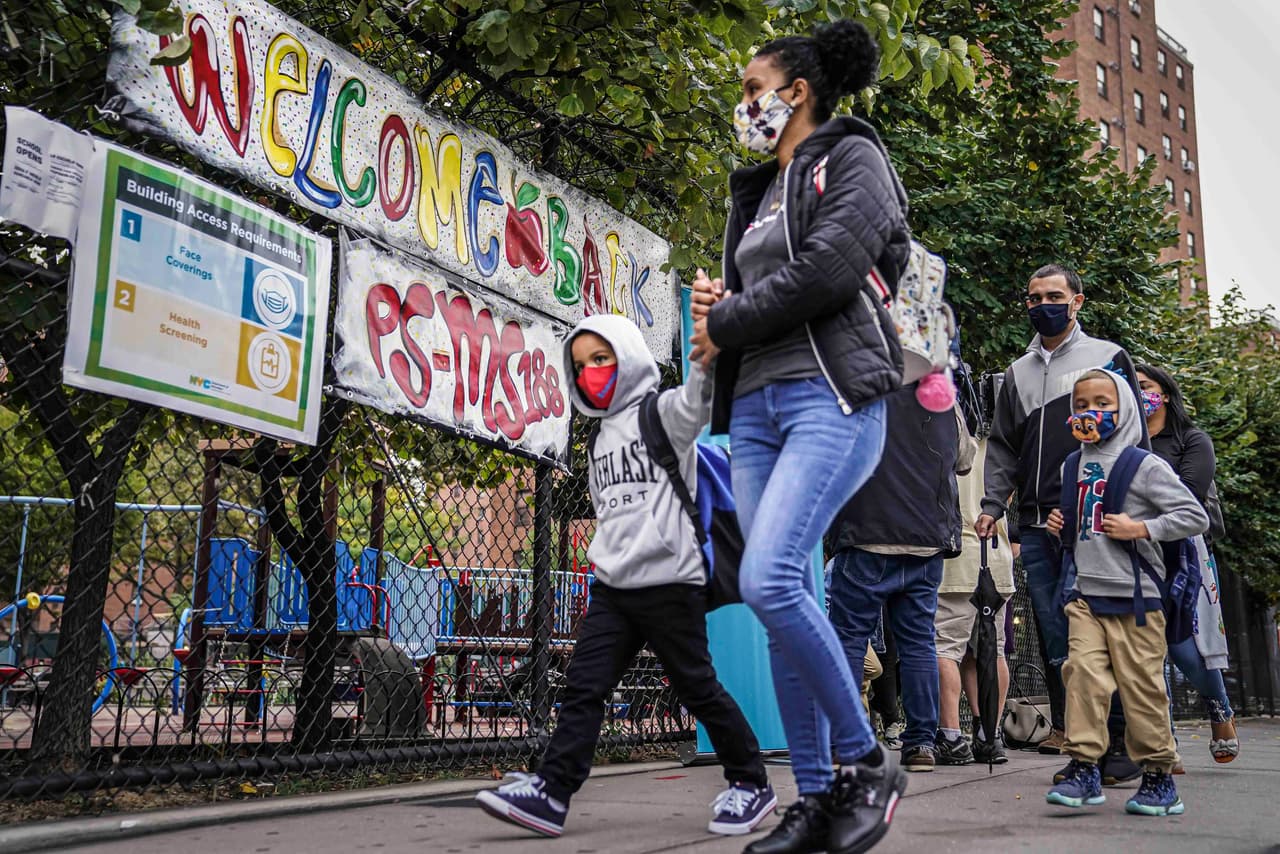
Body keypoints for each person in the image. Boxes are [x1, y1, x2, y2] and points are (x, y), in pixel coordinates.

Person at [688, 19, 911, 854]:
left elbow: (826, 271)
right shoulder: (755, 189)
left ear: (798, 92)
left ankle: (864, 762)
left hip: (832, 395)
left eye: (753, 90)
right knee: (778, 596)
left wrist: (728, 322)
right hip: (755, 410)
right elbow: (753, 299)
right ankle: (815, 802)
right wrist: (721, 317)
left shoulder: (855, 158)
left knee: (775, 576)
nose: (744, 105)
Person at [475, 316, 775, 839]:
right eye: (580, 365)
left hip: (670, 582)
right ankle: (551, 792)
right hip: (614, 588)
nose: (591, 372)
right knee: (583, 686)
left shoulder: (661, 414)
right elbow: (609, 512)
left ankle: (751, 783)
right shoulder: (597, 442)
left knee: (697, 688)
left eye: (601, 359)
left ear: (629, 357)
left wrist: (708, 350)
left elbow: (698, 398)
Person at [976, 264, 1147, 768]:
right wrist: (991, 505)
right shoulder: (1017, 372)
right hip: (1034, 524)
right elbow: (1004, 447)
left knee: (1097, 628)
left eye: (1053, 295)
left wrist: (1114, 504)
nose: (1041, 305)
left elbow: (1133, 436)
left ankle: (1118, 741)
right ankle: (1085, 740)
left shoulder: (1107, 358)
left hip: (1094, 518)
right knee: (1056, 634)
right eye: (1032, 298)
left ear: (1077, 301)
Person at [1045, 368, 1207, 816]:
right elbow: (1084, 523)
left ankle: (1158, 777)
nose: (1090, 413)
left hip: (1136, 599)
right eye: (1081, 405)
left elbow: (1194, 516)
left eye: (1102, 403)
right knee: (1081, 675)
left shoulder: (1146, 465)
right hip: (1086, 595)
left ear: (1126, 408)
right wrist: (1062, 524)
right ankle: (1084, 767)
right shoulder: (1072, 464)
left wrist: (1143, 527)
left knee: (1141, 689)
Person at [827, 387, 971, 774]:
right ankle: (921, 742)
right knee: (919, 642)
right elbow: (963, 458)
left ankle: (846, 740)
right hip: (926, 539)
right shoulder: (940, 393)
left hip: (866, 532)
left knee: (849, 638)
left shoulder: (853, 391)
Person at [1136, 363, 1240, 763]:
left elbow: (1188, 498)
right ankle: (1165, 742)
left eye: (1145, 386)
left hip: (1183, 553)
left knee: (1183, 649)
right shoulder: (1125, 441)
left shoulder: (1192, 440)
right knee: (1147, 649)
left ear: (1164, 394)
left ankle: (1219, 707)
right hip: (1135, 553)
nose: (1138, 393)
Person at [936, 432, 1015, 766]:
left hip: (955, 559)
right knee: (989, 651)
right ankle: (989, 735)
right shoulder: (1000, 446)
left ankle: (950, 735)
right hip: (996, 558)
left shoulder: (945, 438)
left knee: (945, 648)